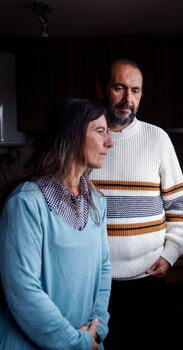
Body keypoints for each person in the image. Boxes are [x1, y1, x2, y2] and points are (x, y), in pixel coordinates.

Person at [90, 58, 183, 349]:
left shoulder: (157, 139)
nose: (127, 99)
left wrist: (172, 251)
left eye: (135, 90)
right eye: (119, 88)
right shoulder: (84, 138)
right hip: (95, 281)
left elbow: (180, 205)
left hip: (147, 278)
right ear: (101, 89)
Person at [0, 98, 113, 350]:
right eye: (99, 131)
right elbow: (24, 291)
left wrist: (97, 329)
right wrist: (76, 343)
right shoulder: (26, 203)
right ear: (72, 135)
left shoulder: (97, 202)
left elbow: (104, 269)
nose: (109, 142)